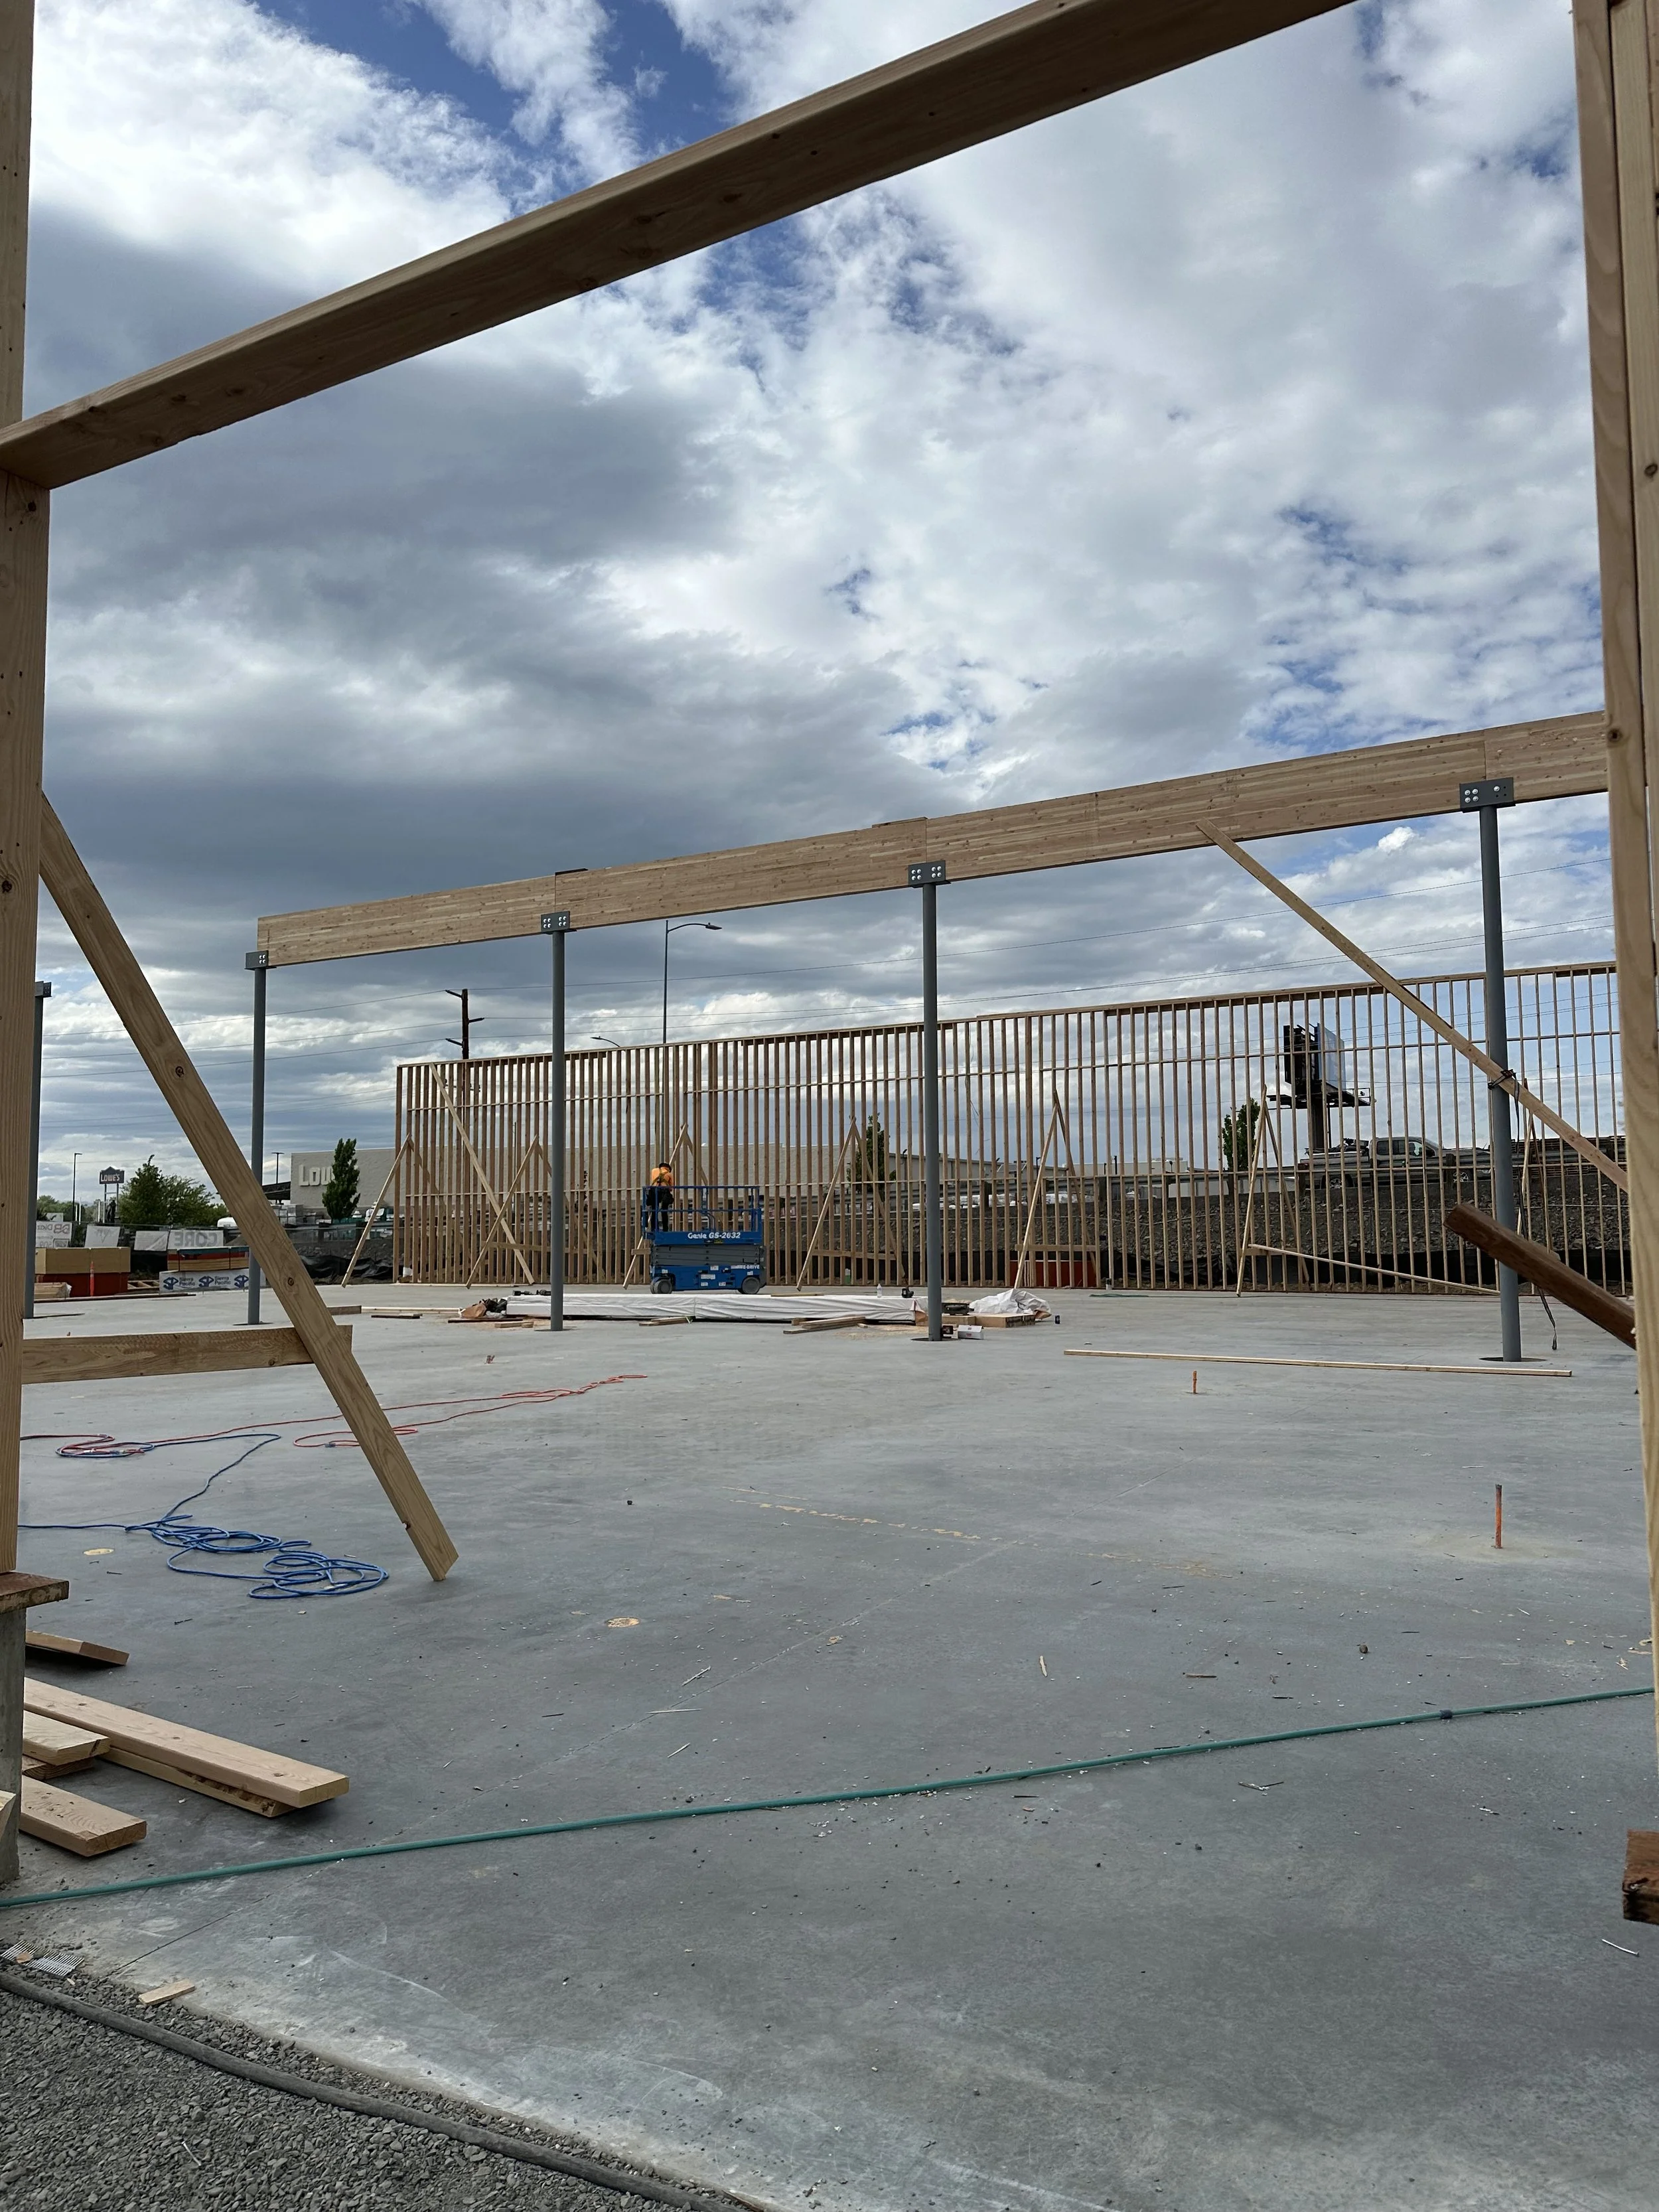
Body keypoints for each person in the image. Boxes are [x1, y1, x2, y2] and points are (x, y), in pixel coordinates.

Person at [644, 1161, 674, 1234]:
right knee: (664, 1210)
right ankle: (665, 1229)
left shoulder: (654, 1171)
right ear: (668, 1169)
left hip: (654, 1191)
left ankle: (654, 1228)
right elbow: (671, 1188)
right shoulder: (669, 1174)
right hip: (664, 1191)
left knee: (654, 1210)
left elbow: (653, 1181)